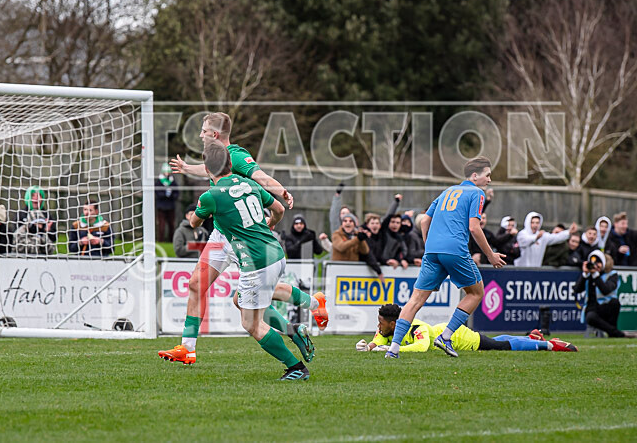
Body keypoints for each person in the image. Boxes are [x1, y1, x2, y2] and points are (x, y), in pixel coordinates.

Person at [159, 115, 323, 363]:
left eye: (204, 131)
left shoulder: (235, 155)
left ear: (214, 135)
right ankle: (187, 348)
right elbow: (208, 169)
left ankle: (297, 328)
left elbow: (259, 175)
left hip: (242, 238)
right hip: (222, 234)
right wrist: (186, 169)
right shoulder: (217, 159)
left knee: (248, 301)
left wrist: (281, 190)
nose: (201, 135)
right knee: (196, 284)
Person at [385, 157, 506, 359]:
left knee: (415, 300)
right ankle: (446, 336)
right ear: (475, 176)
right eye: (487, 175)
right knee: (476, 293)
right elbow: (474, 227)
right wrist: (490, 255)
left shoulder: (447, 191)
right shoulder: (477, 193)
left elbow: (424, 221)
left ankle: (393, 349)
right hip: (455, 250)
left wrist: (428, 246)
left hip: (432, 251)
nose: (490, 180)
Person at [356, 304, 577, 353]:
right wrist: (368, 347)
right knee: (495, 338)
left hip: (460, 338)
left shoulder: (416, 327)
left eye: (381, 323)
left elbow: (422, 347)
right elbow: (379, 340)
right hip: (450, 333)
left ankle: (548, 345)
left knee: (499, 346)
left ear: (394, 324)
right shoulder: (388, 330)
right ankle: (530, 337)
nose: (378, 327)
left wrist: (389, 350)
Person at [574, 251, 633, 338]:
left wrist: (596, 276)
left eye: (598, 263)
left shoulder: (612, 275)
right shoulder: (588, 276)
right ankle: (616, 333)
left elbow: (606, 290)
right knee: (590, 317)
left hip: (605, 307)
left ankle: (612, 332)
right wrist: (585, 274)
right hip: (591, 309)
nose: (595, 266)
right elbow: (577, 289)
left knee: (615, 302)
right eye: (593, 263)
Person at [14, 185, 57, 255]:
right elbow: (15, 233)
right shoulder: (21, 214)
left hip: (43, 252)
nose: (36, 198)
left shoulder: (47, 215)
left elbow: (54, 238)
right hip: (24, 250)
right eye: (33, 195)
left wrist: (47, 230)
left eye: (39, 196)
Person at [155, 162, 179, 242]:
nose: (167, 174)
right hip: (161, 206)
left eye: (168, 172)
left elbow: (176, 193)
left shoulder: (172, 181)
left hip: (171, 206)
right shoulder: (159, 181)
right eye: (166, 172)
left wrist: (171, 195)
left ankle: (171, 240)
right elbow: (158, 193)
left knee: (171, 225)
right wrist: (166, 194)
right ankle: (161, 240)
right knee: (161, 225)